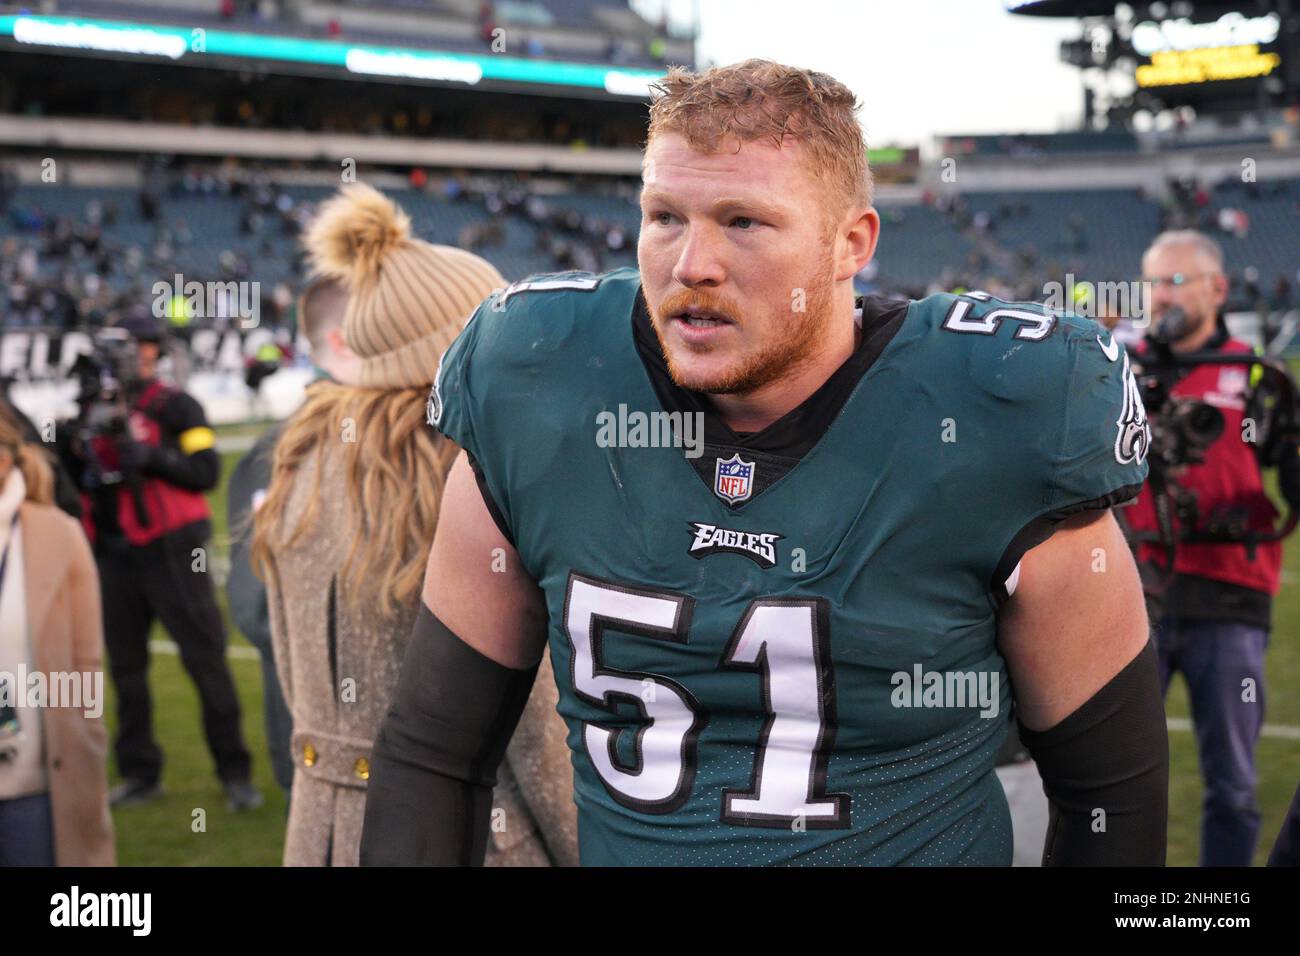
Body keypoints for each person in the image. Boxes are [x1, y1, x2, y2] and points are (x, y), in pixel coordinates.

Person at [360, 59, 1168, 867]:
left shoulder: (1003, 409)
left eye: (743, 221)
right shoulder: (538, 381)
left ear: (851, 243)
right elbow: (435, 750)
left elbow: (1111, 796)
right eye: (665, 216)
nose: (691, 264)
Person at [253, 183, 576, 867]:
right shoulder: (469, 469)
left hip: (321, 831)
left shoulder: (298, 460)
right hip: (472, 836)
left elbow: (286, 666)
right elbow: (538, 740)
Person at [1125, 230, 1300, 866]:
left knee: (1233, 785)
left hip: (1230, 596)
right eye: (1153, 283)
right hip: (1132, 594)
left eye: (1176, 281)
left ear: (1217, 289)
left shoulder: (1257, 376)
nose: (1160, 296)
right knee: (1112, 779)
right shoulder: (1119, 370)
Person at [64, 314, 260, 811]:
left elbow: (206, 471)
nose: (139, 356)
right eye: (132, 347)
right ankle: (140, 774)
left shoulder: (177, 406)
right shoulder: (89, 409)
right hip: (113, 552)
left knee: (205, 660)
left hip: (174, 549)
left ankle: (235, 774)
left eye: (146, 346)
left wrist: (152, 457)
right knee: (126, 670)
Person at [226, 275, 358, 796]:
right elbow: (258, 605)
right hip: (323, 736)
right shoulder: (281, 452)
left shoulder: (413, 435)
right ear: (341, 341)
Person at [0, 409, 115, 865]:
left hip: (33, 788)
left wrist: (85, 746)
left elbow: (86, 664)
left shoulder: (55, 535)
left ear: (6, 458)